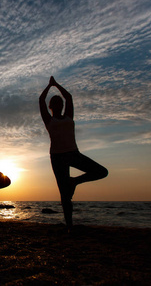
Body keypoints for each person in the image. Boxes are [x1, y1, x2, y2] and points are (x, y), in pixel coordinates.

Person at [40, 76, 108, 230]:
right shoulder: (48, 120)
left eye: (60, 103)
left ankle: (75, 181)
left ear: (62, 105)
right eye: (55, 103)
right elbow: (41, 100)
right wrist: (49, 86)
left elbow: (69, 97)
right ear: (51, 106)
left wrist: (56, 84)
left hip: (73, 153)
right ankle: (69, 226)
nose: (58, 104)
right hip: (57, 157)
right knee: (65, 195)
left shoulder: (69, 116)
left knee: (102, 172)